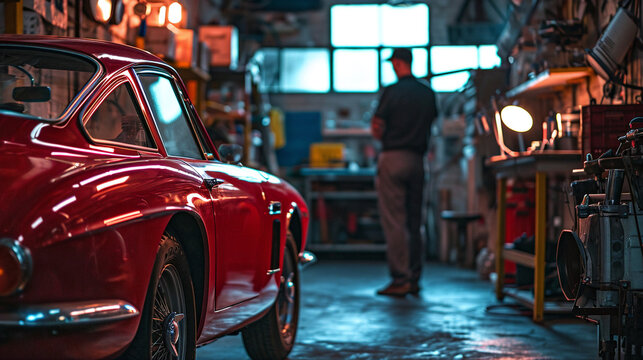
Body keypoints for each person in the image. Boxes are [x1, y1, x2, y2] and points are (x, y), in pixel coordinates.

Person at [371, 48, 437, 297]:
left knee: (394, 221)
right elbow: (432, 125)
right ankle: (416, 277)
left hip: (393, 157)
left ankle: (401, 279)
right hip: (418, 160)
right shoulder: (427, 93)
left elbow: (377, 125)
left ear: (398, 63)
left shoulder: (392, 91)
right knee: (415, 220)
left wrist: (384, 139)